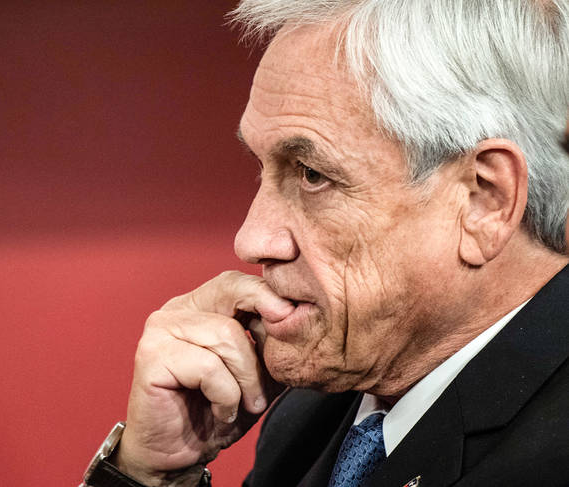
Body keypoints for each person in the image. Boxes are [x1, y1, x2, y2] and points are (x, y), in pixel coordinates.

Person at [82, 1, 569, 486]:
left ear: (485, 200)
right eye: (262, 170)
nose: (251, 240)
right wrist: (152, 475)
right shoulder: (314, 411)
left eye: (312, 175)